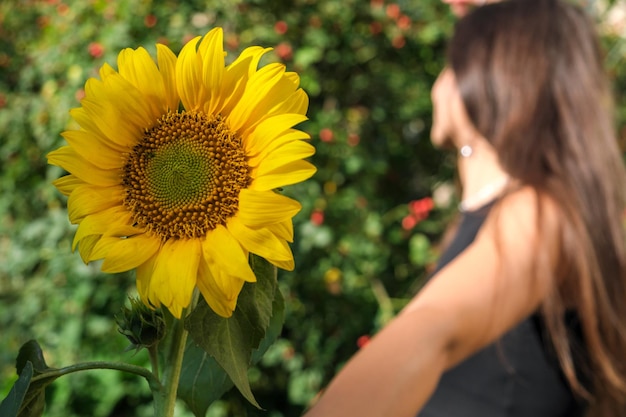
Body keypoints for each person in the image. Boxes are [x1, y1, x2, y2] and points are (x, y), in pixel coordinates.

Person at [303, 0, 626, 416]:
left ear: (477, 83)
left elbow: (433, 328)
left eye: (449, 64)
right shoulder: (497, 217)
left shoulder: (538, 213)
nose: (439, 83)